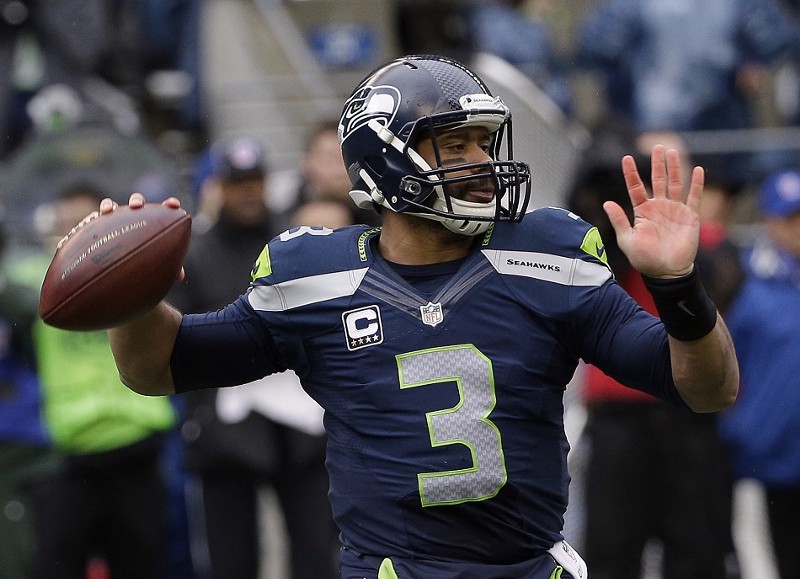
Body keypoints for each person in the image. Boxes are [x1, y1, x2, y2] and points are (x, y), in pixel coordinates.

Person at [98, 55, 738, 578]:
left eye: (483, 144)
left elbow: (708, 388)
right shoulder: (316, 277)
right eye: (454, 146)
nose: (482, 165)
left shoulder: (544, 256)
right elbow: (159, 365)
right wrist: (132, 300)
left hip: (527, 569)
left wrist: (678, 285)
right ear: (386, 161)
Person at [567, 126, 741, 579]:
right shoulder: (607, 233)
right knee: (610, 551)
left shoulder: (711, 244)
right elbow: (578, 257)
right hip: (618, 419)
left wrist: (679, 262)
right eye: (644, 164)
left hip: (690, 416)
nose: (657, 174)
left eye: (669, 165)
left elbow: (724, 286)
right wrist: (595, 190)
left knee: (699, 554)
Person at [168, 136, 339, 579]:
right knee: (233, 563)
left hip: (302, 432)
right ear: (218, 186)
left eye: (255, 181)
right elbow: (179, 341)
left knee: (318, 556)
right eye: (237, 182)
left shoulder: (290, 242)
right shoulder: (195, 253)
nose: (248, 192)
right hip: (227, 436)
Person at [24, 184, 177, 579]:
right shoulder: (36, 281)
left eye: (83, 223)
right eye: (64, 226)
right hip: (67, 458)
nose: (72, 232)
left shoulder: (133, 270)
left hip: (136, 447)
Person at [575, 0, 796, 184]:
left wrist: (751, 62)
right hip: (646, 137)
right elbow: (595, 49)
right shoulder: (630, 7)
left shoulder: (738, 6)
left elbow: (775, 41)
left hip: (714, 140)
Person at [718, 167, 800, 579]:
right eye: (792, 218)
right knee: (763, 568)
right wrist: (745, 431)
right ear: (768, 221)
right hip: (762, 463)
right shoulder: (743, 281)